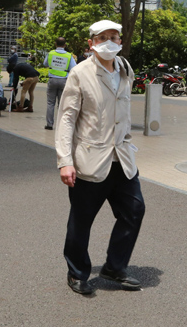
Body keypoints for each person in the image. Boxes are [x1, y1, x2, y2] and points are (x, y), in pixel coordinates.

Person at [55, 20, 145, 295]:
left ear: (120, 41)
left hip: (122, 157)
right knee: (82, 220)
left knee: (134, 211)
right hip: (90, 159)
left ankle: (114, 267)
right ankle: (77, 272)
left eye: (113, 37)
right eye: (102, 37)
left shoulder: (125, 68)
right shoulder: (80, 73)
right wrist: (65, 160)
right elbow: (67, 118)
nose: (108, 41)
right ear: (91, 42)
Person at [43, 37, 76, 130]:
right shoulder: (69, 56)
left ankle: (49, 124)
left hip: (52, 79)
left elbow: (45, 63)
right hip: (64, 81)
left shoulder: (51, 53)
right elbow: (74, 68)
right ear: (65, 45)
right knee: (62, 104)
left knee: (50, 103)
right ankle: (61, 125)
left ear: (55, 44)